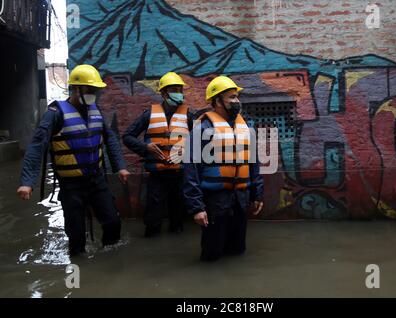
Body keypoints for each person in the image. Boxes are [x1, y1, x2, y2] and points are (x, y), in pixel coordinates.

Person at [17, 64, 130, 256]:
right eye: (89, 90)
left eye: (95, 90)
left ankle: (110, 261)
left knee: (112, 222)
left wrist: (120, 167)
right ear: (76, 89)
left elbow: (109, 138)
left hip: (96, 180)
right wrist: (27, 182)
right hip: (71, 185)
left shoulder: (96, 111)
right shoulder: (55, 114)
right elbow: (37, 145)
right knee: (76, 234)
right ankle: (79, 268)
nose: (93, 94)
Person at [183, 76, 264, 262]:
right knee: (213, 253)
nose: (237, 101)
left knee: (237, 250)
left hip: (240, 199)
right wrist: (196, 207)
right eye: (232, 98)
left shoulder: (246, 127)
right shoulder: (202, 129)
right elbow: (191, 170)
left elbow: (254, 163)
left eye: (237, 97)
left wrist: (257, 194)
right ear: (217, 101)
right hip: (215, 201)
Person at [122, 72, 188, 237]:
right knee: (153, 220)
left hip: (180, 175)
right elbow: (127, 137)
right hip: (157, 176)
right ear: (164, 93)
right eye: (174, 89)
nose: (179, 93)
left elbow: (199, 141)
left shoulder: (188, 115)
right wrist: (146, 147)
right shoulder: (149, 114)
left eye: (180, 89)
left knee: (178, 221)